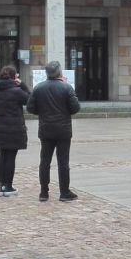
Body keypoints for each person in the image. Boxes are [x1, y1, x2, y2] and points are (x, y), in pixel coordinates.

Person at [26, 61, 81, 202]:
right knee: (63, 162)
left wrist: (43, 112)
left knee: (45, 161)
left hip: (46, 129)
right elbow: (75, 108)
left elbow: (30, 108)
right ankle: (64, 192)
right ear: (59, 72)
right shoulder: (66, 87)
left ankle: (44, 192)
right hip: (63, 130)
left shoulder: (39, 88)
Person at [0, 65, 30, 197]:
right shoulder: (16, 91)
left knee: (2, 156)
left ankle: (2, 185)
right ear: (14, 77)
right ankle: (8, 186)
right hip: (13, 129)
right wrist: (22, 85)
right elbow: (30, 100)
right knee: (10, 157)